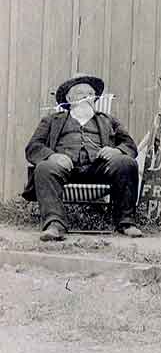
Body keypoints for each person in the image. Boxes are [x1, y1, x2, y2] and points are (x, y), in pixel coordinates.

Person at [23, 75, 143, 241]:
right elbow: (33, 147)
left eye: (90, 93)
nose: (86, 96)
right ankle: (54, 224)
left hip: (100, 167)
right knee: (44, 167)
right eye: (80, 93)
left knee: (127, 162)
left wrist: (117, 151)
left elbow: (130, 145)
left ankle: (126, 223)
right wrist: (53, 156)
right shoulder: (52, 120)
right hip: (64, 168)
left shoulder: (108, 120)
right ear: (69, 98)